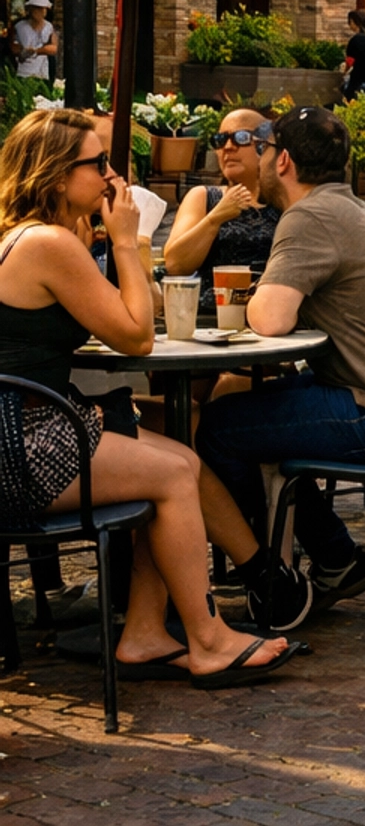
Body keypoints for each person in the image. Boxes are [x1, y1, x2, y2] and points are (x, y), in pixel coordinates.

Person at [0, 108, 297, 682]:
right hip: (21, 444)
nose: (113, 178)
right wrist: (127, 242)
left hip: (29, 426)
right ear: (59, 175)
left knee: (178, 454)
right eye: (99, 164)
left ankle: (144, 632)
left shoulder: (30, 238)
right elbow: (137, 336)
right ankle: (208, 639)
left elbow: (138, 315)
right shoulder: (49, 245)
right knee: (171, 475)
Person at [198, 105, 365, 624]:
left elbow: (269, 320)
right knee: (233, 405)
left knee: (218, 431)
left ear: (283, 160)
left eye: (265, 148)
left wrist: (249, 296)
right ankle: (337, 559)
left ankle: (271, 577)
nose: (261, 158)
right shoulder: (344, 206)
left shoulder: (309, 218)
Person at [163, 108, 280, 322]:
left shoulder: (284, 201)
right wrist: (215, 218)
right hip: (212, 319)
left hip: (270, 316)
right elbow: (174, 264)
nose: (228, 147)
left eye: (240, 138)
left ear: (265, 145)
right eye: (220, 139)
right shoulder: (204, 197)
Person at [10, 0, 57, 82]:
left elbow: (54, 48)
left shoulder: (49, 27)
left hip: (42, 73)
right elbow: (13, 47)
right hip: (24, 72)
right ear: (31, 10)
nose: (42, 12)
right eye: (38, 9)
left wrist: (36, 51)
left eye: (44, 9)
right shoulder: (19, 27)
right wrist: (23, 51)